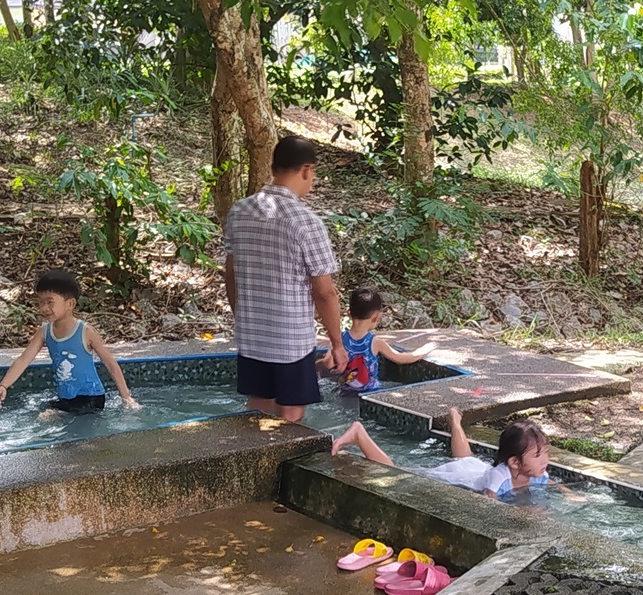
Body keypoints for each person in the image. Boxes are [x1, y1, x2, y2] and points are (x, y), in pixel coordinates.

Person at [223, 135, 347, 421]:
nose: (313, 180)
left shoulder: (239, 211)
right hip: (291, 340)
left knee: (258, 405)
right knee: (291, 411)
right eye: (313, 174)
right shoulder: (306, 222)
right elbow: (324, 292)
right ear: (305, 169)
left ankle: (249, 450)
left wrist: (241, 317)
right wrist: (337, 344)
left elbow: (231, 273)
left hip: (252, 334)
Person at [0, 270, 141, 418]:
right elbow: (23, 360)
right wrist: (3, 385)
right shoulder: (44, 332)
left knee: (48, 417)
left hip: (91, 398)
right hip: (66, 398)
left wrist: (126, 397)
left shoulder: (85, 331)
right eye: (41, 302)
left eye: (50, 302)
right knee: (40, 412)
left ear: (70, 304)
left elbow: (110, 364)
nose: (44, 308)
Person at [330, 409, 553, 500]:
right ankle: (360, 435)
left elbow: (551, 483)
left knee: (465, 458)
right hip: (463, 479)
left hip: (476, 469)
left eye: (545, 453)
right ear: (514, 462)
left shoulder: (535, 471)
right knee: (397, 472)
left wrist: (568, 494)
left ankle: (454, 420)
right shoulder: (499, 477)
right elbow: (488, 502)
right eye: (537, 455)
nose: (545, 460)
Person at [327, 287, 430, 393]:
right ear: (376, 317)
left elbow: (329, 364)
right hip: (370, 392)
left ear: (349, 313)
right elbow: (400, 358)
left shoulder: (339, 340)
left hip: (344, 391)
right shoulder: (375, 341)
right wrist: (422, 351)